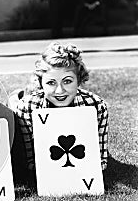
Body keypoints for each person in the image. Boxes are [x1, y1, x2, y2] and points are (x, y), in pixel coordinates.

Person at [15, 42, 108, 173]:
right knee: (16, 100)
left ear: (79, 80)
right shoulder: (26, 107)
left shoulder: (96, 106)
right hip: (29, 102)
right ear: (41, 83)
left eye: (67, 81)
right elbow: (30, 160)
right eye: (51, 82)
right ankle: (18, 94)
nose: (60, 90)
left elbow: (100, 161)